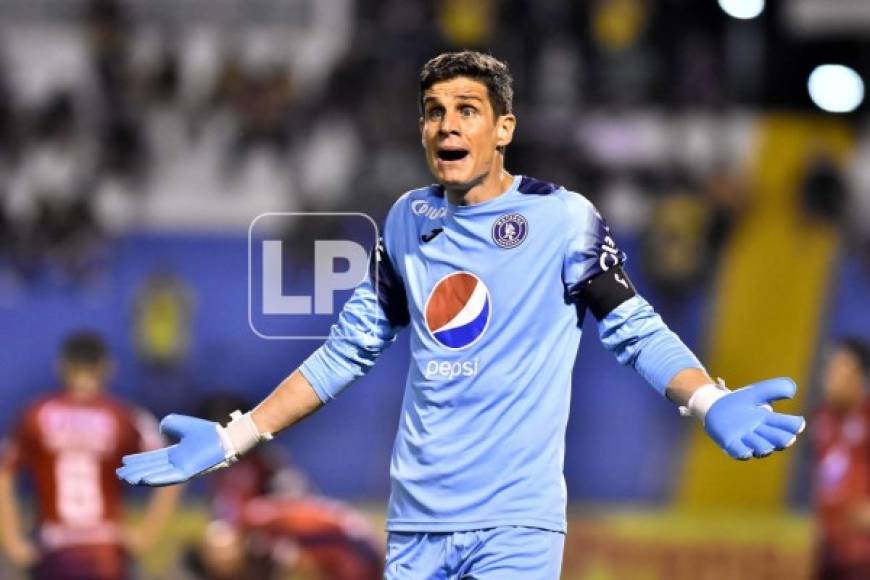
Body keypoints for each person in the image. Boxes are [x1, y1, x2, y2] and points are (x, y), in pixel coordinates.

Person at [117, 51, 807, 578]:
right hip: (415, 525)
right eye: (433, 110)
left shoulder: (561, 219)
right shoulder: (408, 219)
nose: (446, 123)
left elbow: (631, 327)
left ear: (504, 127)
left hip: (515, 526)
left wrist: (708, 400)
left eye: (467, 109)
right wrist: (239, 438)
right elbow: (347, 350)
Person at [0, 331, 182, 580]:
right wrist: (146, 534)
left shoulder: (36, 413)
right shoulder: (124, 415)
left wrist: (12, 539)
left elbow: (5, 472)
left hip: (56, 545)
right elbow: (174, 467)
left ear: (62, 366)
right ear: (107, 367)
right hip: (104, 546)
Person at [811, 338, 870, 580]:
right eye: (829, 368)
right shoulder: (821, 420)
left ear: (860, 376)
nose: (830, 377)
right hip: (830, 547)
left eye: (839, 369)